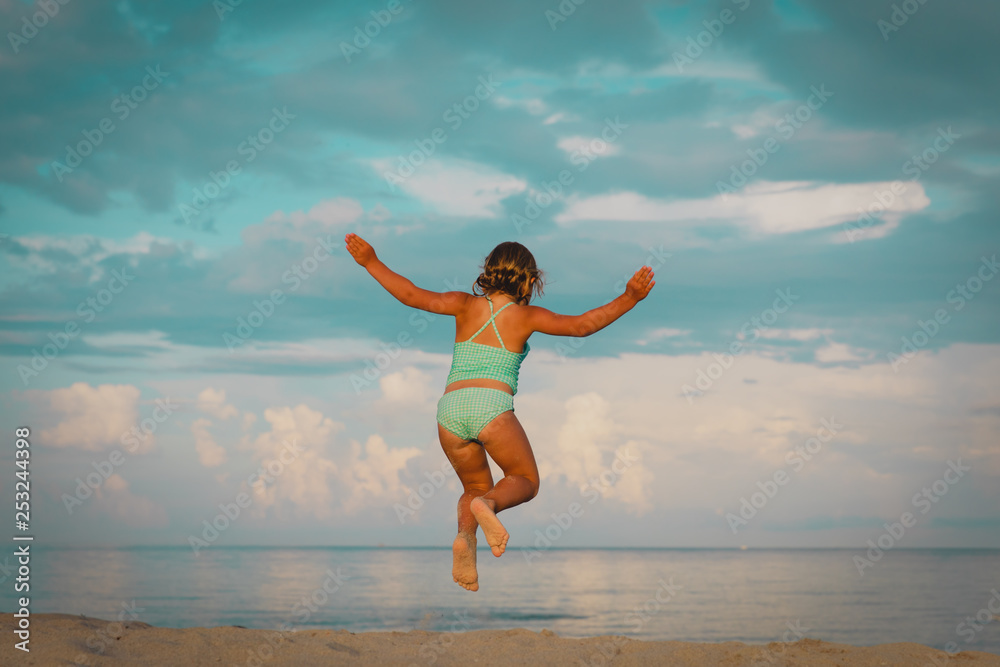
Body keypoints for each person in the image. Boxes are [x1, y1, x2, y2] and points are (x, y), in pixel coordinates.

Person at [345, 233, 655, 591]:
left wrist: (371, 261)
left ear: (487, 273)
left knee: (473, 486)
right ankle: (488, 506)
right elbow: (583, 325)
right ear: (529, 280)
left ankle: (465, 538)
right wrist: (630, 297)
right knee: (525, 481)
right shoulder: (527, 316)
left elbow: (411, 295)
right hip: (490, 405)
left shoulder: (463, 304)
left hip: (450, 408)